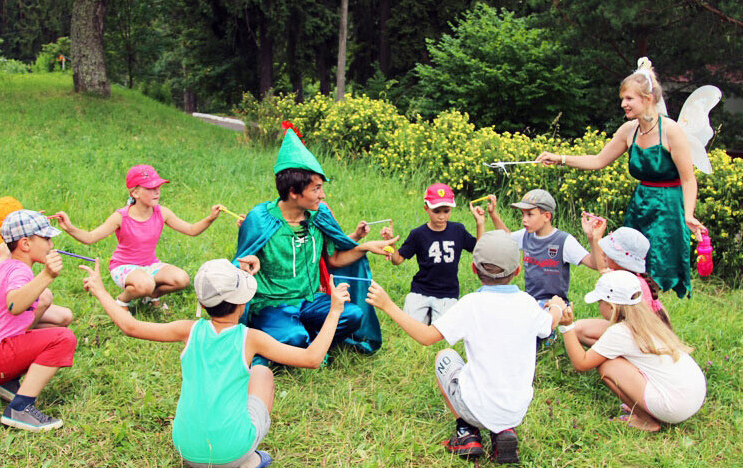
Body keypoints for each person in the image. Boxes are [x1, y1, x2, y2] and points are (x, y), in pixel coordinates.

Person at [80, 257, 352, 468]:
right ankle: (250, 460)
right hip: (231, 453)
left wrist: (100, 290)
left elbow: (131, 326)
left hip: (187, 450)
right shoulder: (252, 339)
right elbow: (312, 358)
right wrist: (335, 310)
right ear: (244, 302)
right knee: (262, 373)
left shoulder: (188, 330)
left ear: (201, 301)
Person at [366, 230, 565, 464]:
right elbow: (549, 324)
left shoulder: (471, 304)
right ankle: (504, 431)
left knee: (445, 357)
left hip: (476, 407)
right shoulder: (527, 303)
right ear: (517, 271)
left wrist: (388, 306)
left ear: (473, 269)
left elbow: (427, 337)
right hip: (516, 410)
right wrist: (557, 307)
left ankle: (467, 432)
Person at [536, 58, 705, 298]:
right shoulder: (629, 130)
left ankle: (653, 321)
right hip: (640, 205)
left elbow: (688, 179)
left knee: (655, 276)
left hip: (668, 209)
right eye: (622, 99)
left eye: (629, 99)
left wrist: (688, 214)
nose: (623, 104)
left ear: (647, 99)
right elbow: (597, 160)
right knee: (629, 270)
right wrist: (560, 158)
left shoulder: (670, 131)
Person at [233, 129, 396, 363]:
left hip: (310, 301)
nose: (322, 194)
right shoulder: (260, 219)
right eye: (316, 188)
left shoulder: (318, 216)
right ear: (293, 192)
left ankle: (309, 339)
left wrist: (365, 246)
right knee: (294, 337)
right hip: (271, 305)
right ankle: (301, 340)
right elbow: (240, 264)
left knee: (353, 315)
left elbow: (333, 260)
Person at [53, 164, 225, 309]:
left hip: (150, 265)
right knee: (145, 284)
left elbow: (191, 229)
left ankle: (151, 297)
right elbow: (91, 237)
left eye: (158, 187)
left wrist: (210, 218)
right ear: (135, 193)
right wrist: (69, 228)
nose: (157, 192)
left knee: (182, 279)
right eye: (150, 188)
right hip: (123, 267)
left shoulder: (162, 213)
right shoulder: (121, 217)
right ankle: (121, 302)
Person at [0, 209, 77, 432]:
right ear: (25, 244)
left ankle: (6, 383)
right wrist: (46, 275)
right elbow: (14, 305)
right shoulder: (20, 271)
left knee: (52, 327)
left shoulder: (3, 265)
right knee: (63, 338)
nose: (50, 244)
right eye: (46, 238)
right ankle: (20, 408)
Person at [559, 270, 705, 432]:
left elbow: (581, 363)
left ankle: (646, 420)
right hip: (693, 395)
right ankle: (647, 403)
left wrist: (567, 326)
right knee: (607, 354)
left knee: (607, 367)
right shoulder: (647, 320)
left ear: (610, 306)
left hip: (673, 406)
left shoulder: (620, 332)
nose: (598, 305)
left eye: (599, 302)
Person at [483, 190, 597, 346]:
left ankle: (550, 333)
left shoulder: (563, 240)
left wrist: (592, 239)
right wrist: (493, 214)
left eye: (530, 215)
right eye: (522, 215)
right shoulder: (526, 235)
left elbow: (594, 263)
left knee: (525, 335)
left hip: (555, 304)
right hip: (530, 300)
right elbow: (506, 238)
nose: (524, 220)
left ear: (547, 216)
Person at [379, 183, 482, 324]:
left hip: (447, 293)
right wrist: (390, 242)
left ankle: (430, 317)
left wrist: (480, 223)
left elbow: (479, 250)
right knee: (410, 326)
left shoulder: (458, 230)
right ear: (426, 208)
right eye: (436, 211)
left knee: (441, 331)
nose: (441, 216)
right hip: (420, 290)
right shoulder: (418, 234)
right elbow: (397, 260)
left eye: (446, 211)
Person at [0, 196, 73, 327]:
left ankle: (23, 335)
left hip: (14, 295)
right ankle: (14, 336)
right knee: (45, 297)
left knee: (65, 318)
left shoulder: (23, 245)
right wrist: (2, 230)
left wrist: (32, 223)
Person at [577, 217, 671, 345]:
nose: (603, 254)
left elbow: (603, 269)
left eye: (607, 252)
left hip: (640, 337)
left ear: (619, 259)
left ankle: (620, 355)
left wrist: (596, 239)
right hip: (634, 332)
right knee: (578, 330)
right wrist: (593, 238)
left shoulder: (632, 284)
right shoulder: (631, 276)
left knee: (579, 331)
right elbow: (603, 268)